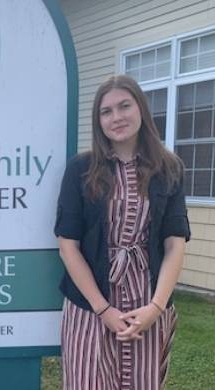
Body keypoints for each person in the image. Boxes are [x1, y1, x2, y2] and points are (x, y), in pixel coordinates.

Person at [54, 74, 190, 390]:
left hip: (147, 301)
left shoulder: (169, 168)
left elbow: (175, 243)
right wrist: (103, 309)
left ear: (141, 108)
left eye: (124, 106)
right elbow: (67, 245)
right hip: (90, 301)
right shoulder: (81, 169)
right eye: (106, 111)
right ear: (98, 120)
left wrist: (156, 307)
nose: (117, 117)